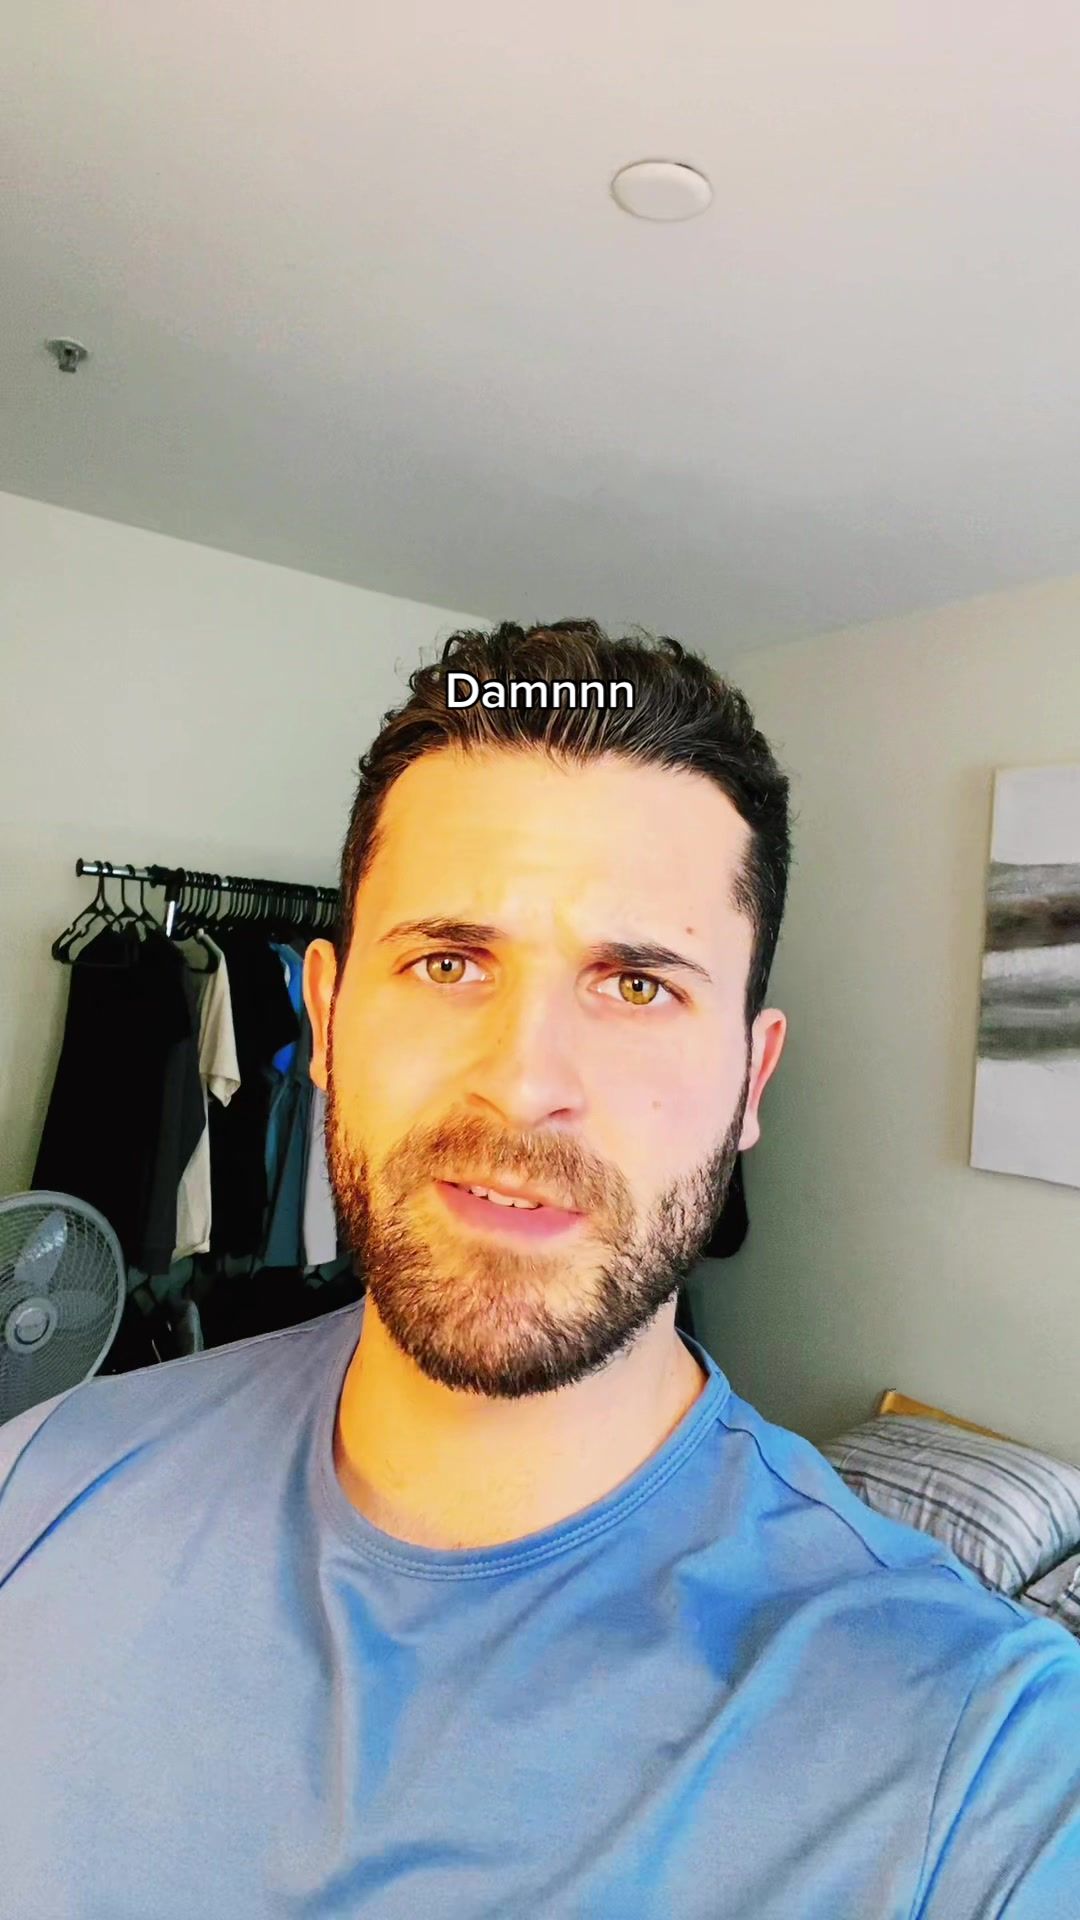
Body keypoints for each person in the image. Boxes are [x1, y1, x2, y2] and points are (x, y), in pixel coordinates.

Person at [2, 620, 1078, 1919]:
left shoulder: (984, 1763)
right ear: (327, 1021)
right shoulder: (40, 1478)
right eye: (449, 961)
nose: (523, 1084)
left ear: (751, 1081)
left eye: (637, 986)